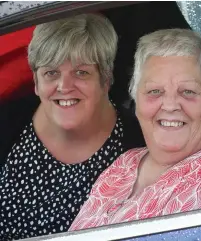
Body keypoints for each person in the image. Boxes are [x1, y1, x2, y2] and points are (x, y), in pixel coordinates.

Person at [0, 14, 145, 240]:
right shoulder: (7, 122)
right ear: (36, 82)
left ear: (106, 80)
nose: (64, 86)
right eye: (51, 72)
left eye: (81, 72)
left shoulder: (141, 144)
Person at [69, 29, 201, 231]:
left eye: (188, 91)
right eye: (154, 91)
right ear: (137, 103)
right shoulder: (126, 163)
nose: (169, 105)